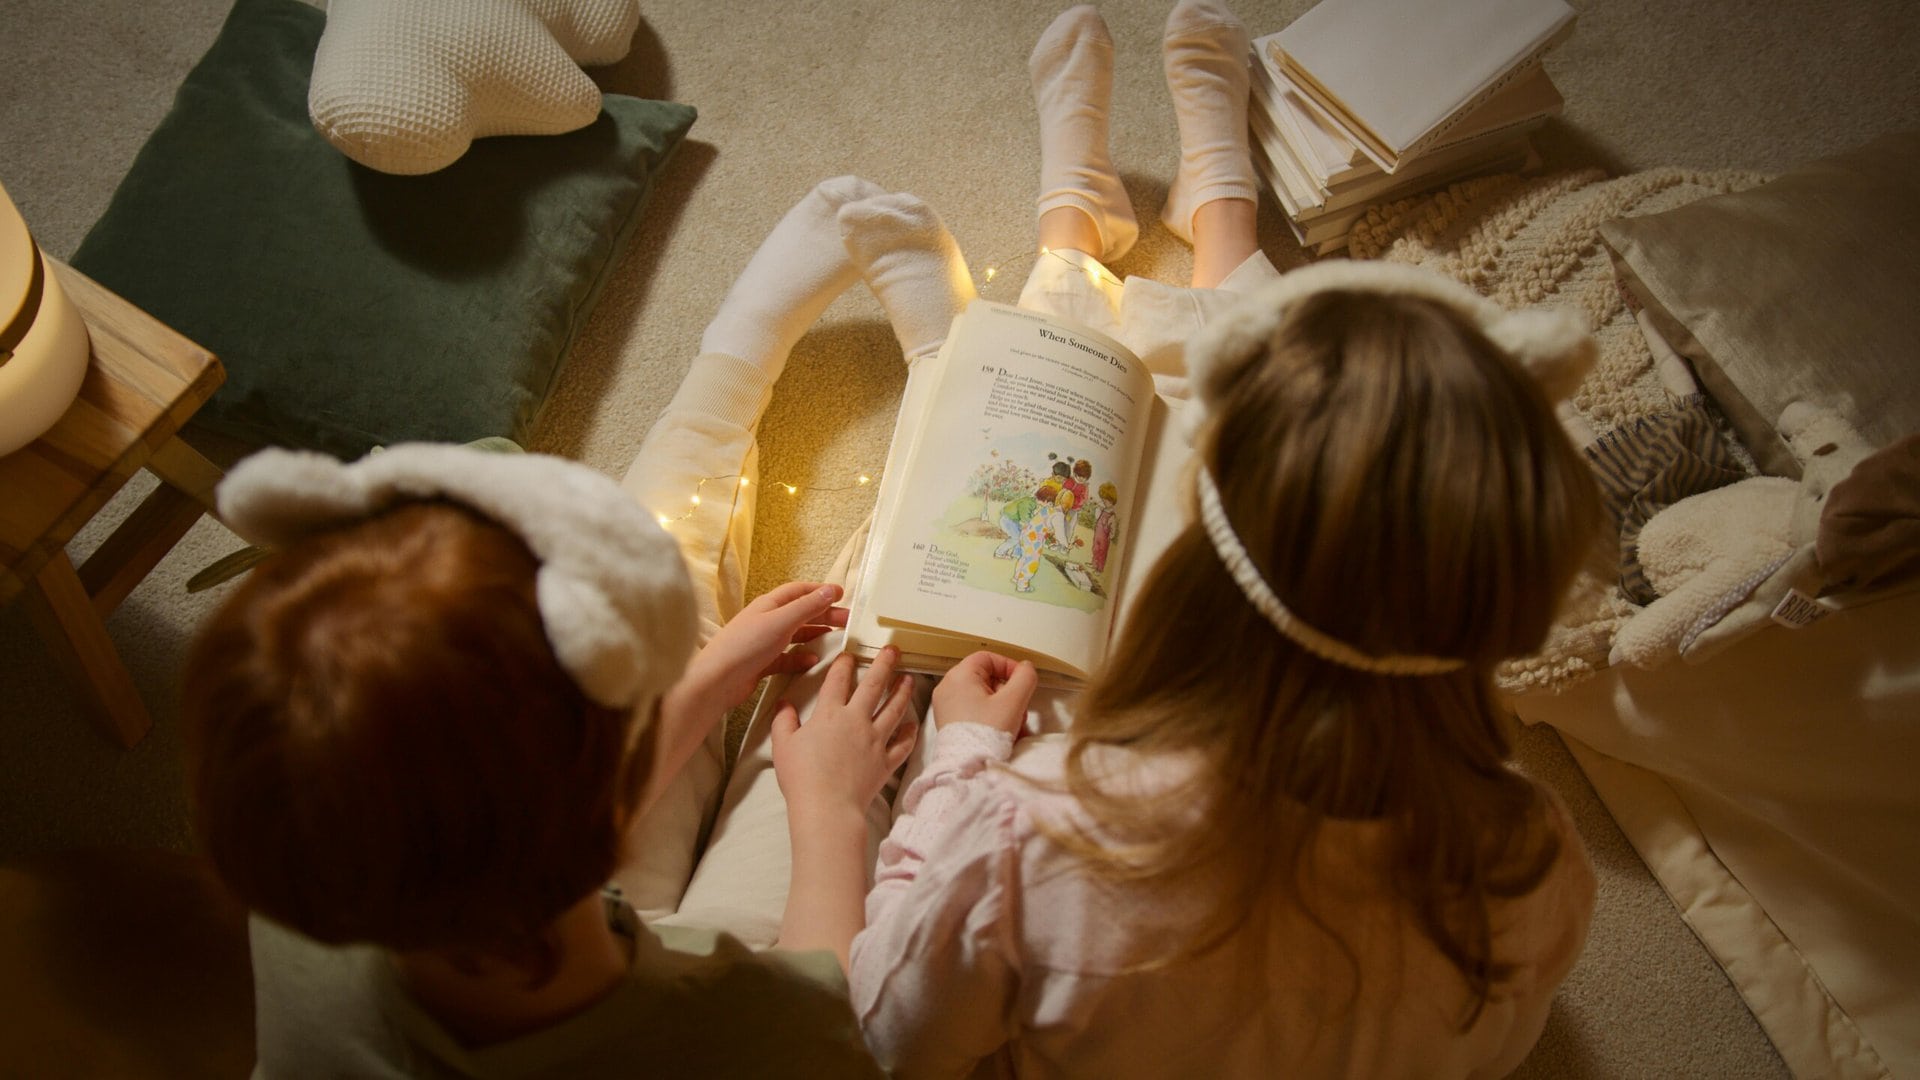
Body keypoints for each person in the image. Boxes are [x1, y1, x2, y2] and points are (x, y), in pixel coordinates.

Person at [835, 3, 1607, 1076]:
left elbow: (887, 1042)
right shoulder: (1537, 862)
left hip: (1061, 810)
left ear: (1210, 576)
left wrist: (963, 755)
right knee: (1342, 456)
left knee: (1022, 483)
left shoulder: (1037, 832)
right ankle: (1222, 223)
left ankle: (1075, 238)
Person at [179, 176, 936, 1076]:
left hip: (558, 928)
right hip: (717, 985)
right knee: (835, 704)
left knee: (689, 601)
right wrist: (834, 813)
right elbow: (830, 1006)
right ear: (600, 806)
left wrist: (699, 687)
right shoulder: (747, 1036)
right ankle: (947, 399)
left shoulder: (314, 867)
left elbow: (486, 819)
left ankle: (736, 363)